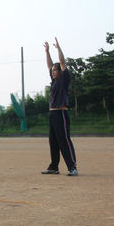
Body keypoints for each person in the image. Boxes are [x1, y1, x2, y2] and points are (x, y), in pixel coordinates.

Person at [42, 37, 78, 176]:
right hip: (52, 114)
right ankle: (54, 167)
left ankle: (72, 167)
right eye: (52, 71)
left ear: (61, 72)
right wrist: (47, 51)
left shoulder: (64, 80)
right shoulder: (54, 81)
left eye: (55, 70)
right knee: (53, 142)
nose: (53, 72)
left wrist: (58, 48)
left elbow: (61, 62)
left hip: (61, 114)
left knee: (64, 141)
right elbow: (49, 65)